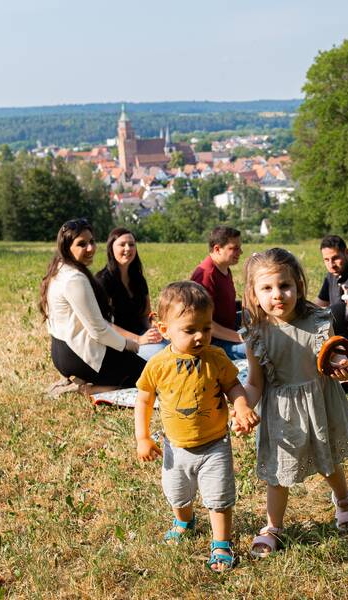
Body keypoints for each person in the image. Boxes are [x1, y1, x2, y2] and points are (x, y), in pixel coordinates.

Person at [238, 248, 348, 559]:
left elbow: (331, 360)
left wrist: (342, 366)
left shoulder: (319, 321)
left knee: (329, 459)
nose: (277, 294)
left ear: (299, 285)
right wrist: (243, 406)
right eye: (267, 288)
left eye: (285, 286)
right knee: (279, 473)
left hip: (319, 402)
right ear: (253, 293)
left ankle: (343, 500)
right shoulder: (256, 334)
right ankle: (273, 526)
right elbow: (255, 382)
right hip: (281, 411)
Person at [134, 281, 259, 572]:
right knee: (177, 493)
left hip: (215, 444)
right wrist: (142, 437)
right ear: (164, 329)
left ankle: (221, 544)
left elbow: (233, 386)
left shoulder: (216, 358)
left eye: (206, 328)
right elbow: (143, 400)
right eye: (189, 330)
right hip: (175, 448)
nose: (200, 336)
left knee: (219, 497)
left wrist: (240, 406)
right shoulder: (157, 364)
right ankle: (184, 520)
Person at [39, 218, 144, 396]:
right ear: (67, 247)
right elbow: (98, 331)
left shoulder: (59, 268)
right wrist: (129, 344)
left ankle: (82, 381)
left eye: (92, 241)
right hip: (79, 356)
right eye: (82, 244)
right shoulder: (74, 279)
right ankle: (87, 389)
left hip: (62, 352)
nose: (90, 248)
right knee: (147, 378)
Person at [95, 227, 166, 361]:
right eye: (122, 244)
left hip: (141, 335)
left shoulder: (138, 279)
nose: (128, 248)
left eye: (131, 244)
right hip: (118, 344)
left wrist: (155, 330)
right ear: (111, 248)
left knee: (173, 347)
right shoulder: (103, 281)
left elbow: (145, 315)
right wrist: (139, 339)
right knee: (161, 356)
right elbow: (103, 323)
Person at [190, 226, 246, 359]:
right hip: (213, 342)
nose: (241, 252)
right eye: (235, 248)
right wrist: (240, 337)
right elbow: (202, 322)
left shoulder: (224, 268)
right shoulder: (205, 276)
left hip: (229, 329)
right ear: (217, 249)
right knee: (261, 349)